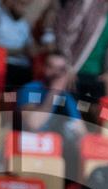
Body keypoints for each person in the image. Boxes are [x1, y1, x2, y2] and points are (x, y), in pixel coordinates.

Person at [17, 50, 88, 180]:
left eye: (61, 69)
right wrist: (53, 93)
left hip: (63, 157)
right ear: (43, 68)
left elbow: (82, 134)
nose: (56, 73)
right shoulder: (30, 88)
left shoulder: (68, 99)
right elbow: (33, 124)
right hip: (33, 152)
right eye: (51, 67)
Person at [56, 0, 108, 104]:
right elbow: (64, 32)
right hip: (72, 73)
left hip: (98, 76)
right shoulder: (87, 3)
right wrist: (67, 65)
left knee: (94, 114)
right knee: (70, 114)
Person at [0, 0, 36, 88]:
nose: (24, 8)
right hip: (2, 66)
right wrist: (18, 52)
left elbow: (31, 49)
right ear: (9, 1)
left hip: (23, 68)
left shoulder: (25, 22)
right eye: (22, 3)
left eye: (27, 5)